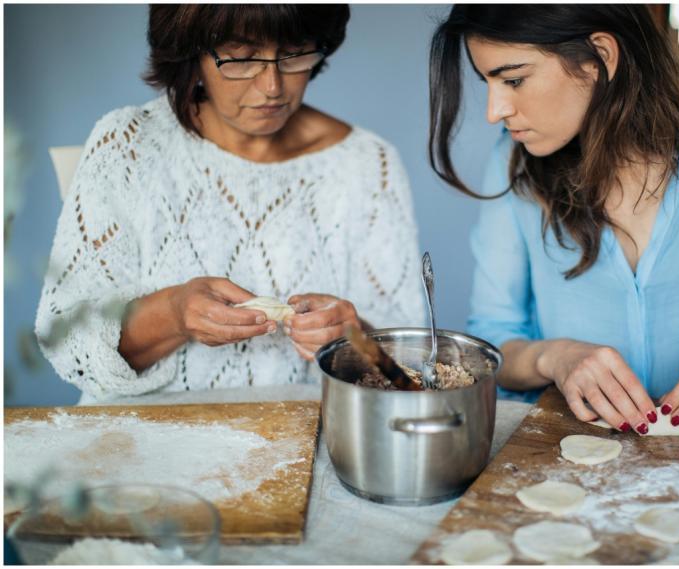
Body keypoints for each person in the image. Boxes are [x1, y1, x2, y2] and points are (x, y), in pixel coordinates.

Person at [428, 5, 679, 434]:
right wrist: (555, 357)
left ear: (600, 56)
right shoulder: (512, 164)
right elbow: (493, 342)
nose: (495, 111)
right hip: (564, 440)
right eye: (488, 82)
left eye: (513, 80)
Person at [36, 4, 424, 403]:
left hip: (302, 432)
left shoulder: (368, 164)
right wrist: (173, 313)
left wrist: (352, 338)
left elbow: (409, 370)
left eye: (294, 53)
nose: (272, 86)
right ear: (191, 52)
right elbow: (65, 344)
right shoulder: (129, 145)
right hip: (140, 434)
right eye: (241, 58)